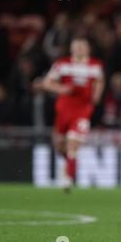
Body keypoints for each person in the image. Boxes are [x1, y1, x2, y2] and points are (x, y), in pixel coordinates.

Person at [42, 37, 105, 191]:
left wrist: (97, 94)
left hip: (82, 110)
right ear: (71, 49)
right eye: (76, 46)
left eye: (82, 46)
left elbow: (100, 80)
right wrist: (61, 89)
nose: (79, 49)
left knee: (73, 143)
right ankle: (68, 165)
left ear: (88, 49)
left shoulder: (95, 65)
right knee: (59, 145)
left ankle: (68, 178)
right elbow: (47, 83)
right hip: (63, 110)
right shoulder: (62, 64)